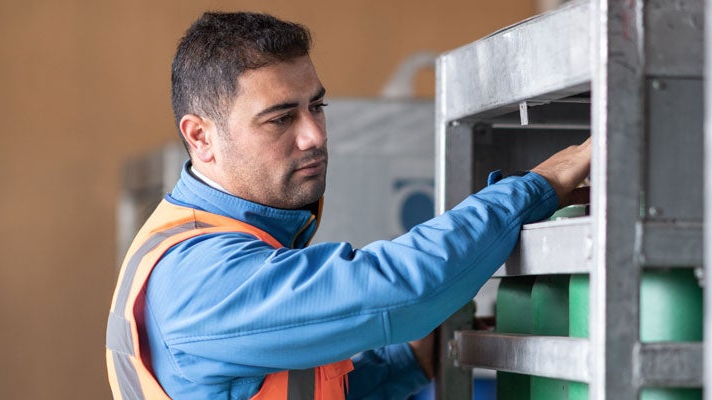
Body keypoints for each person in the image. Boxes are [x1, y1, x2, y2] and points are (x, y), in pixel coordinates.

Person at [104, 11, 592, 400]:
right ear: (201, 136)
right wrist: (537, 186)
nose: (314, 135)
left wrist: (412, 360)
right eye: (280, 119)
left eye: (316, 106)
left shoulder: (231, 242)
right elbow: (398, 289)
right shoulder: (200, 277)